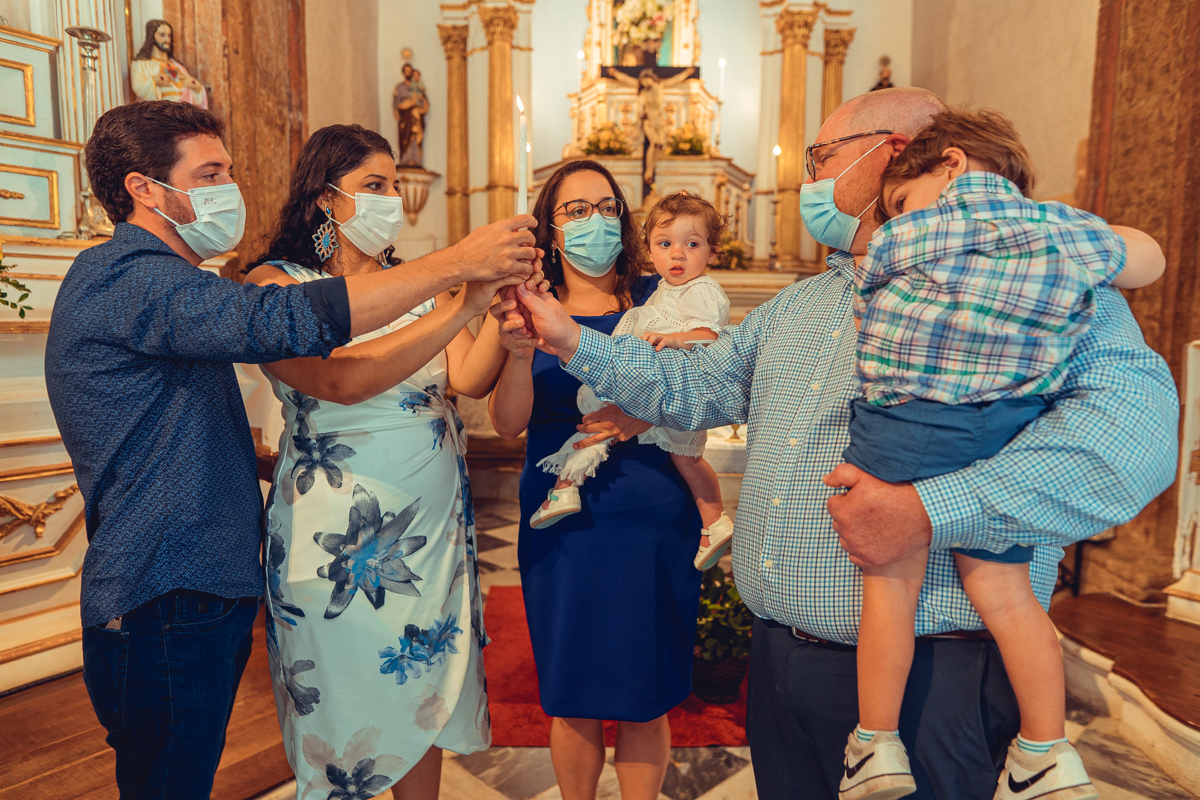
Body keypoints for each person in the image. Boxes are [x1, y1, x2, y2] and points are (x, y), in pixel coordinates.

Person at [503, 87, 1179, 799]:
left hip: (932, 675)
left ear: (893, 153)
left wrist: (931, 510)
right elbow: (691, 387)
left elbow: (1128, 444)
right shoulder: (800, 304)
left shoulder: (1037, 285)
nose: (809, 181)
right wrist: (571, 337)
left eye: (821, 158)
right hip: (781, 665)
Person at [44, 100, 539, 800]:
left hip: (203, 578)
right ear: (144, 188)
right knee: (173, 777)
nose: (230, 188)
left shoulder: (175, 284)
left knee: (181, 771)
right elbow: (287, 330)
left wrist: (467, 304)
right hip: (165, 583)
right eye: (210, 172)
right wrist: (455, 271)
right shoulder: (130, 276)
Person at [835, 109, 1164, 800]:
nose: (895, 217)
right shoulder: (1064, 231)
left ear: (949, 164)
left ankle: (875, 744)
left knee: (890, 587)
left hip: (906, 422)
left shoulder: (904, 238)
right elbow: (1147, 259)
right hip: (1004, 428)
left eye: (898, 199)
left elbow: (871, 317)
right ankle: (1046, 753)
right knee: (1011, 601)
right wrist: (1105, 241)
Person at [243, 123, 543, 800]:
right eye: (373, 186)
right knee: (343, 706)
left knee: (421, 697)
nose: (392, 201)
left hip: (429, 544)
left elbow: (465, 378)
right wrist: (459, 298)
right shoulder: (276, 284)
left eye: (394, 186)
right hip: (333, 548)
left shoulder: (417, 283)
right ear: (327, 199)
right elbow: (343, 379)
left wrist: (502, 310)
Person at [487, 159, 703, 800]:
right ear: (550, 228)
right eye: (576, 210)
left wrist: (644, 412)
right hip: (565, 520)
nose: (595, 221)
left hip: (653, 509)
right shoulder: (528, 302)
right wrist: (521, 355)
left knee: (648, 689)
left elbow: (705, 385)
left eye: (607, 207)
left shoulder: (661, 294)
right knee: (572, 687)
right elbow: (506, 423)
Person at [529, 190, 734, 571]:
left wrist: (674, 339)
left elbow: (712, 338)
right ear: (648, 249)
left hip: (678, 393)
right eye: (665, 243)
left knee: (682, 458)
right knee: (603, 430)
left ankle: (714, 518)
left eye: (692, 244)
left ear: (712, 252)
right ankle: (565, 491)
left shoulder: (703, 290)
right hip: (648, 386)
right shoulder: (657, 291)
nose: (678, 254)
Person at [130, 20, 207, 108]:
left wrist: (197, 87)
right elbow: (138, 86)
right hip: (158, 115)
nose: (167, 40)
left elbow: (191, 92)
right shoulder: (141, 64)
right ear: (151, 37)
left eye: (169, 36)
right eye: (162, 35)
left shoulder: (179, 66)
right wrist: (155, 81)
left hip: (182, 115)